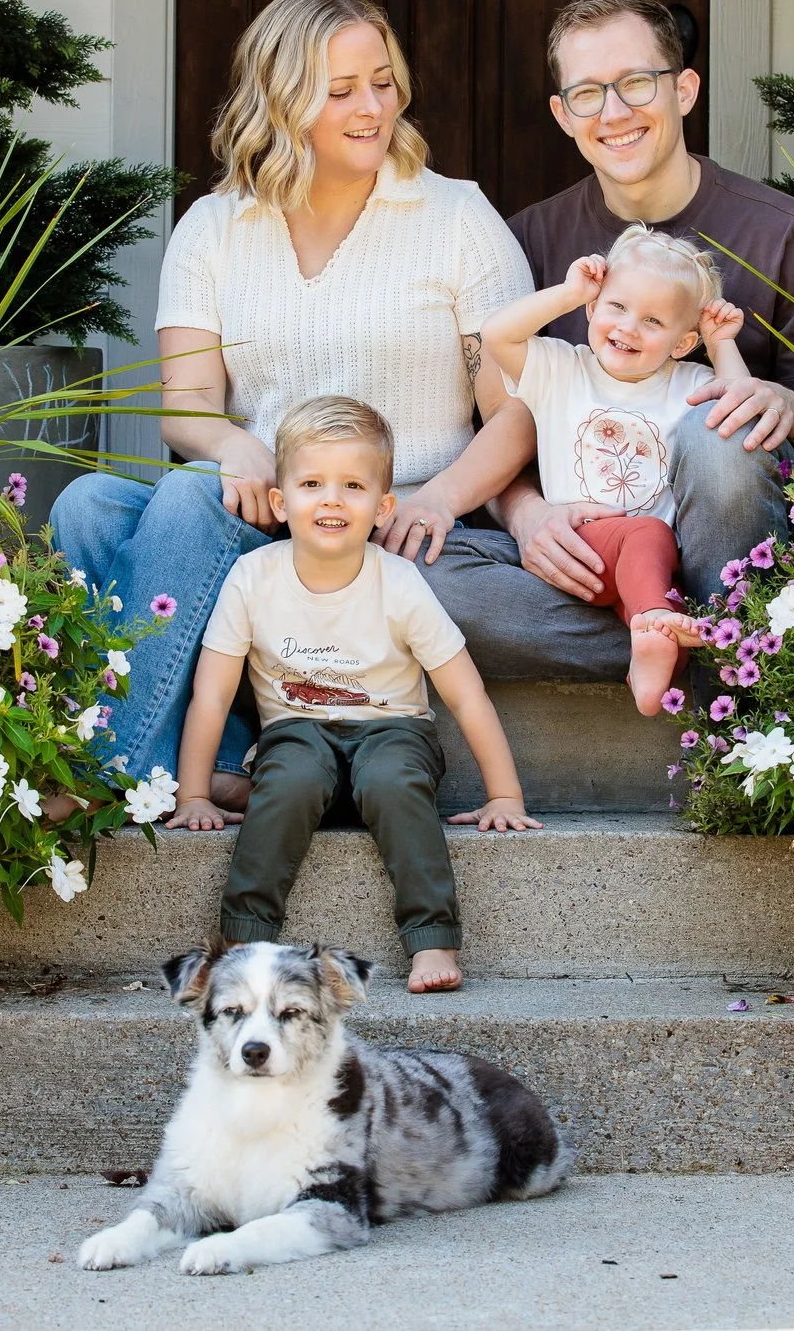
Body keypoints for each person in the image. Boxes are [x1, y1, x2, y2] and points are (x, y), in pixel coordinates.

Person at [49, 0, 531, 800]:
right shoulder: (215, 227)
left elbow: (516, 411)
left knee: (184, 500)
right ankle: (224, 759)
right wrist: (233, 444)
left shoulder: (457, 218)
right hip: (267, 513)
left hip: (380, 517)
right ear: (280, 102)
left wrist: (443, 497)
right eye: (341, 91)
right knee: (87, 505)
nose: (373, 108)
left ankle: (100, 769)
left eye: (383, 82)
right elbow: (186, 400)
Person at [423, 0, 794, 683]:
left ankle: (709, 637)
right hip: (590, 556)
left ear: (684, 90)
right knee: (425, 579)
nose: (614, 113)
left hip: (726, 547)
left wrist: (786, 405)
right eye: (588, 93)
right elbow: (505, 425)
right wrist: (526, 515)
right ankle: (716, 650)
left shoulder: (783, 233)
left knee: (722, 432)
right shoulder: (528, 241)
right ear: (563, 115)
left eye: (635, 82)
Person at [165, 398, 535, 995]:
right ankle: (242, 941)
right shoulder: (252, 578)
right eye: (312, 484)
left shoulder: (400, 582)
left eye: (354, 486)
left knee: (391, 781)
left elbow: (467, 696)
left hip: (393, 733)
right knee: (288, 780)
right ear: (280, 502)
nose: (332, 500)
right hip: (295, 735)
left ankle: (432, 939)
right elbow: (211, 696)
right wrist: (193, 795)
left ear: (383, 507)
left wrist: (504, 795)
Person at [480, 226, 747, 713]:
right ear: (592, 308)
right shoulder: (560, 368)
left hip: (651, 565)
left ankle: (649, 665)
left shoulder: (690, 382)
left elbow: (737, 408)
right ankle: (651, 620)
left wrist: (722, 344)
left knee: (670, 612)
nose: (628, 327)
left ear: (683, 342)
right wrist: (568, 292)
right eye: (616, 306)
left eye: (653, 320)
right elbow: (496, 333)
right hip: (578, 544)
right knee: (646, 535)